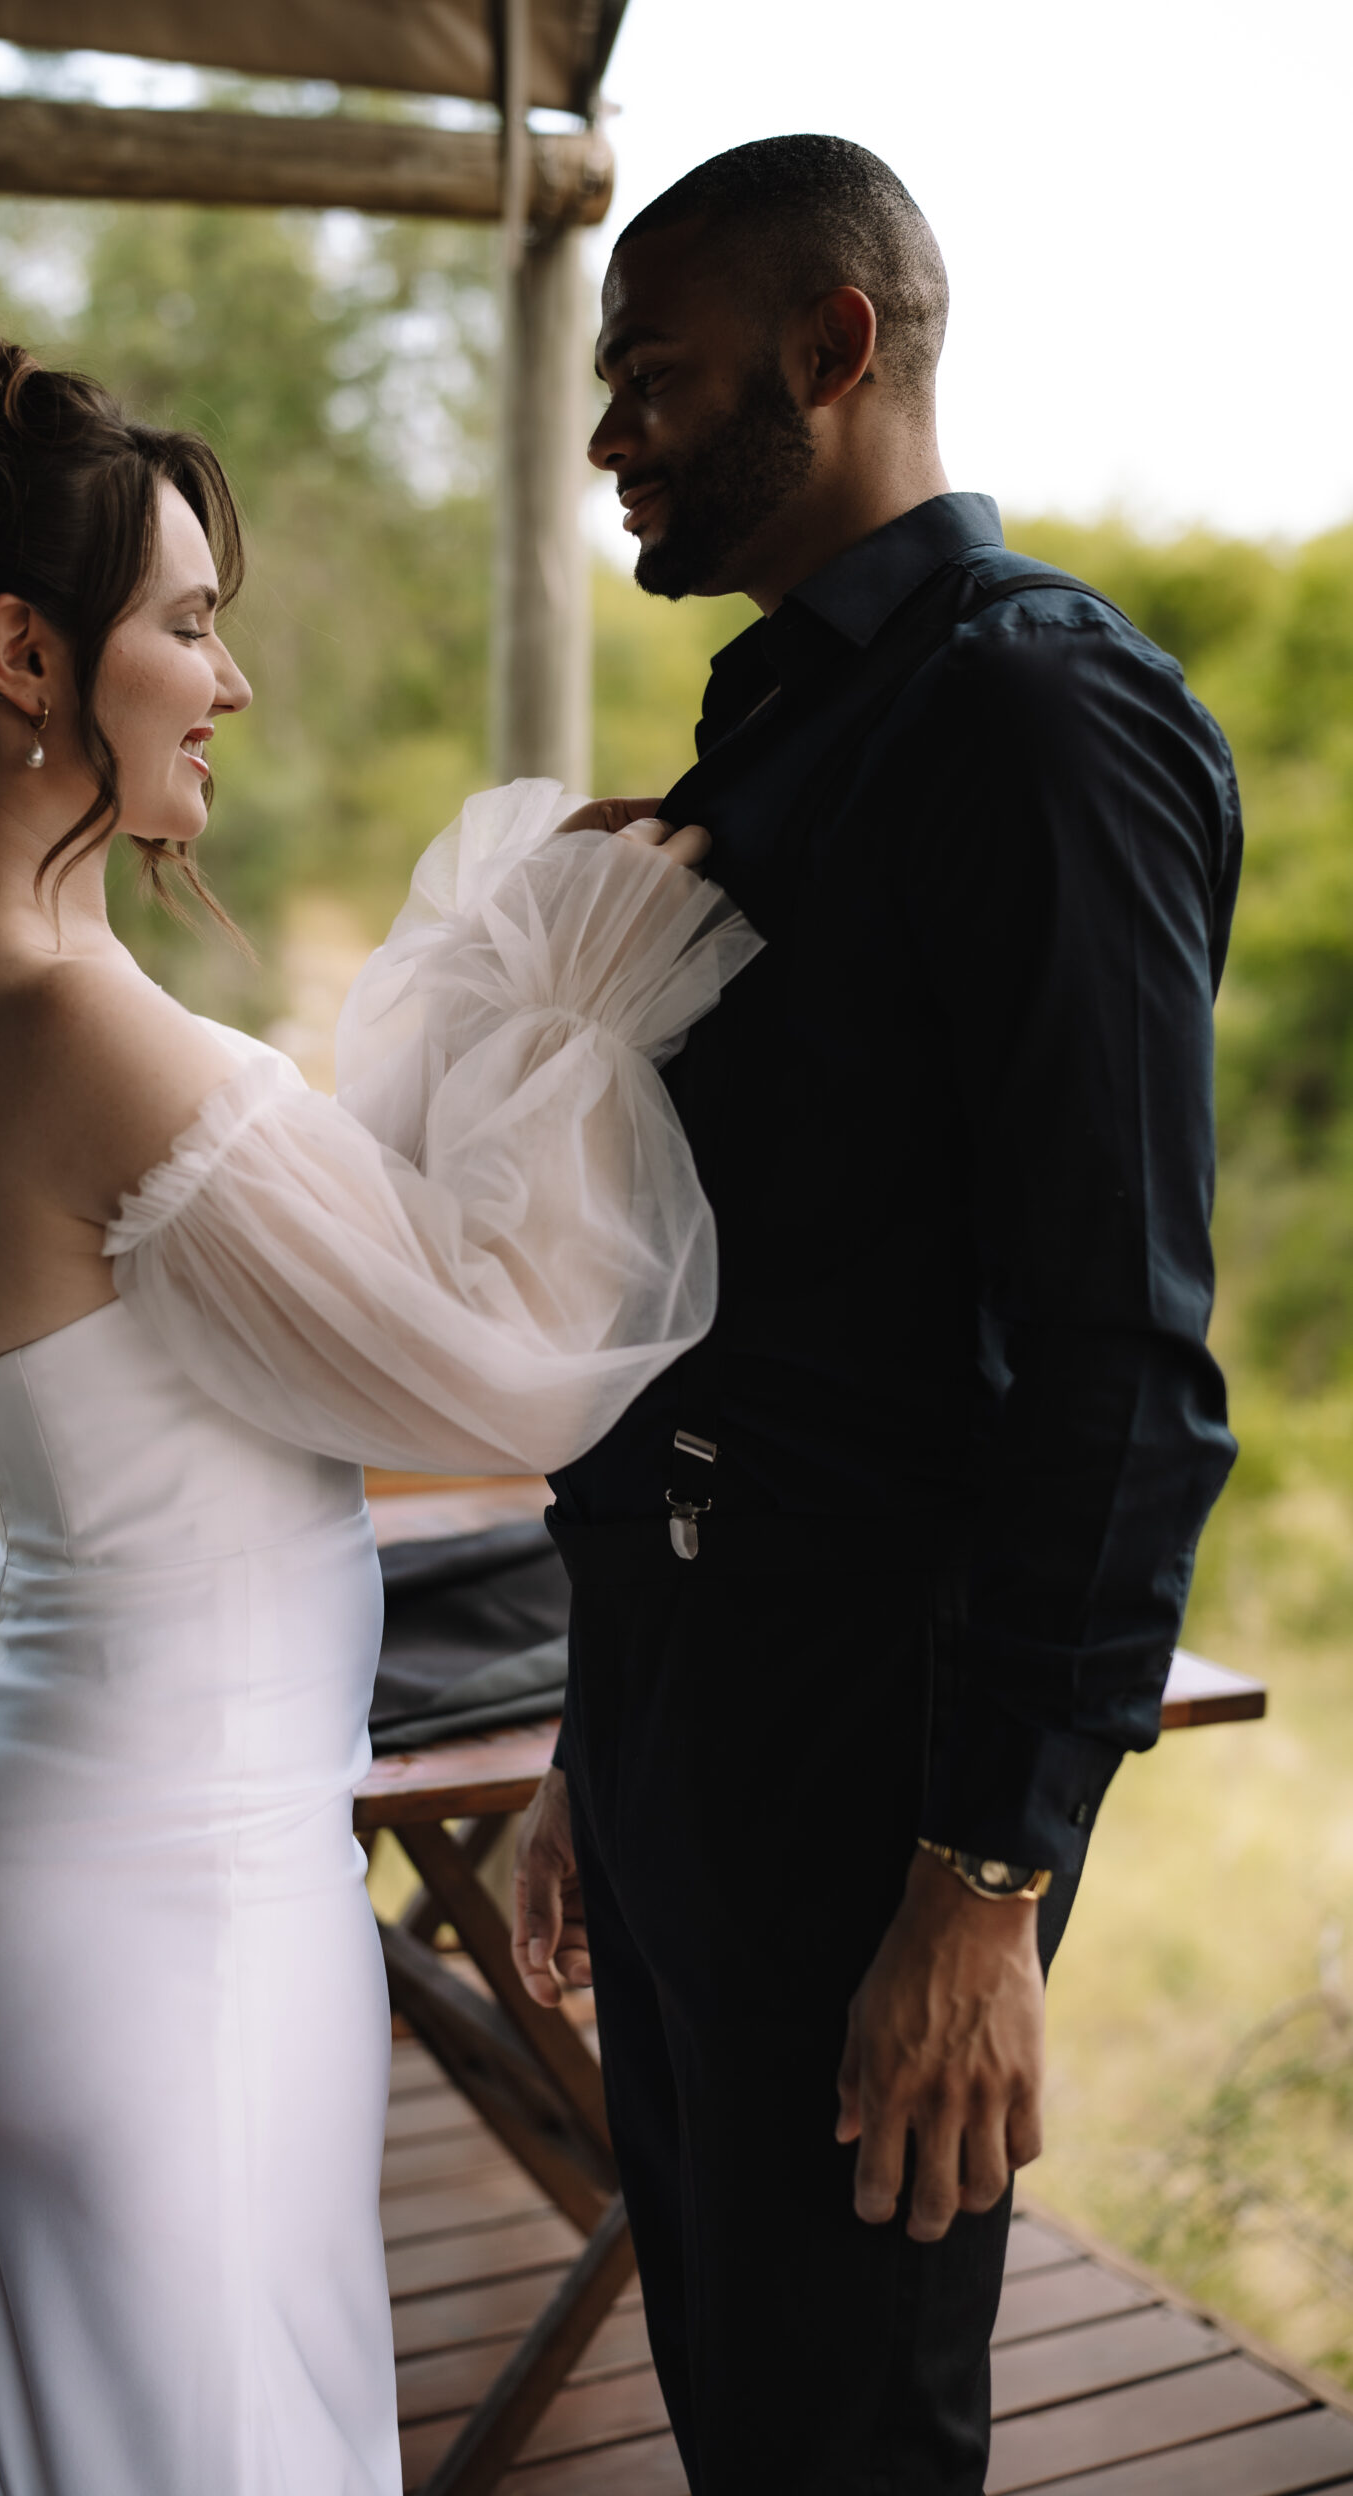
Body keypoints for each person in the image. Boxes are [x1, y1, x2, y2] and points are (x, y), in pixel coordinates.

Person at [0, 291, 761, 2496]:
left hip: (107, 1813)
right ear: (16, 657)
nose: (231, 676)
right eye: (185, 617)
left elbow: (322, 1265)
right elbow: (496, 1359)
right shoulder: (57, 1010)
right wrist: (576, 974)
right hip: (160, 1863)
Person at [511, 136, 1242, 2494]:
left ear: (829, 352)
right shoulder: (773, 730)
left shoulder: (1030, 722)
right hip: (673, 1690)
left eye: (647, 372)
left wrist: (986, 1871)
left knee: (842, 2429)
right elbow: (731, 1289)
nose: (605, 427)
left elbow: (1118, 1360)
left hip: (868, 1759)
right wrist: (584, 1730)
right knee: (729, 2375)